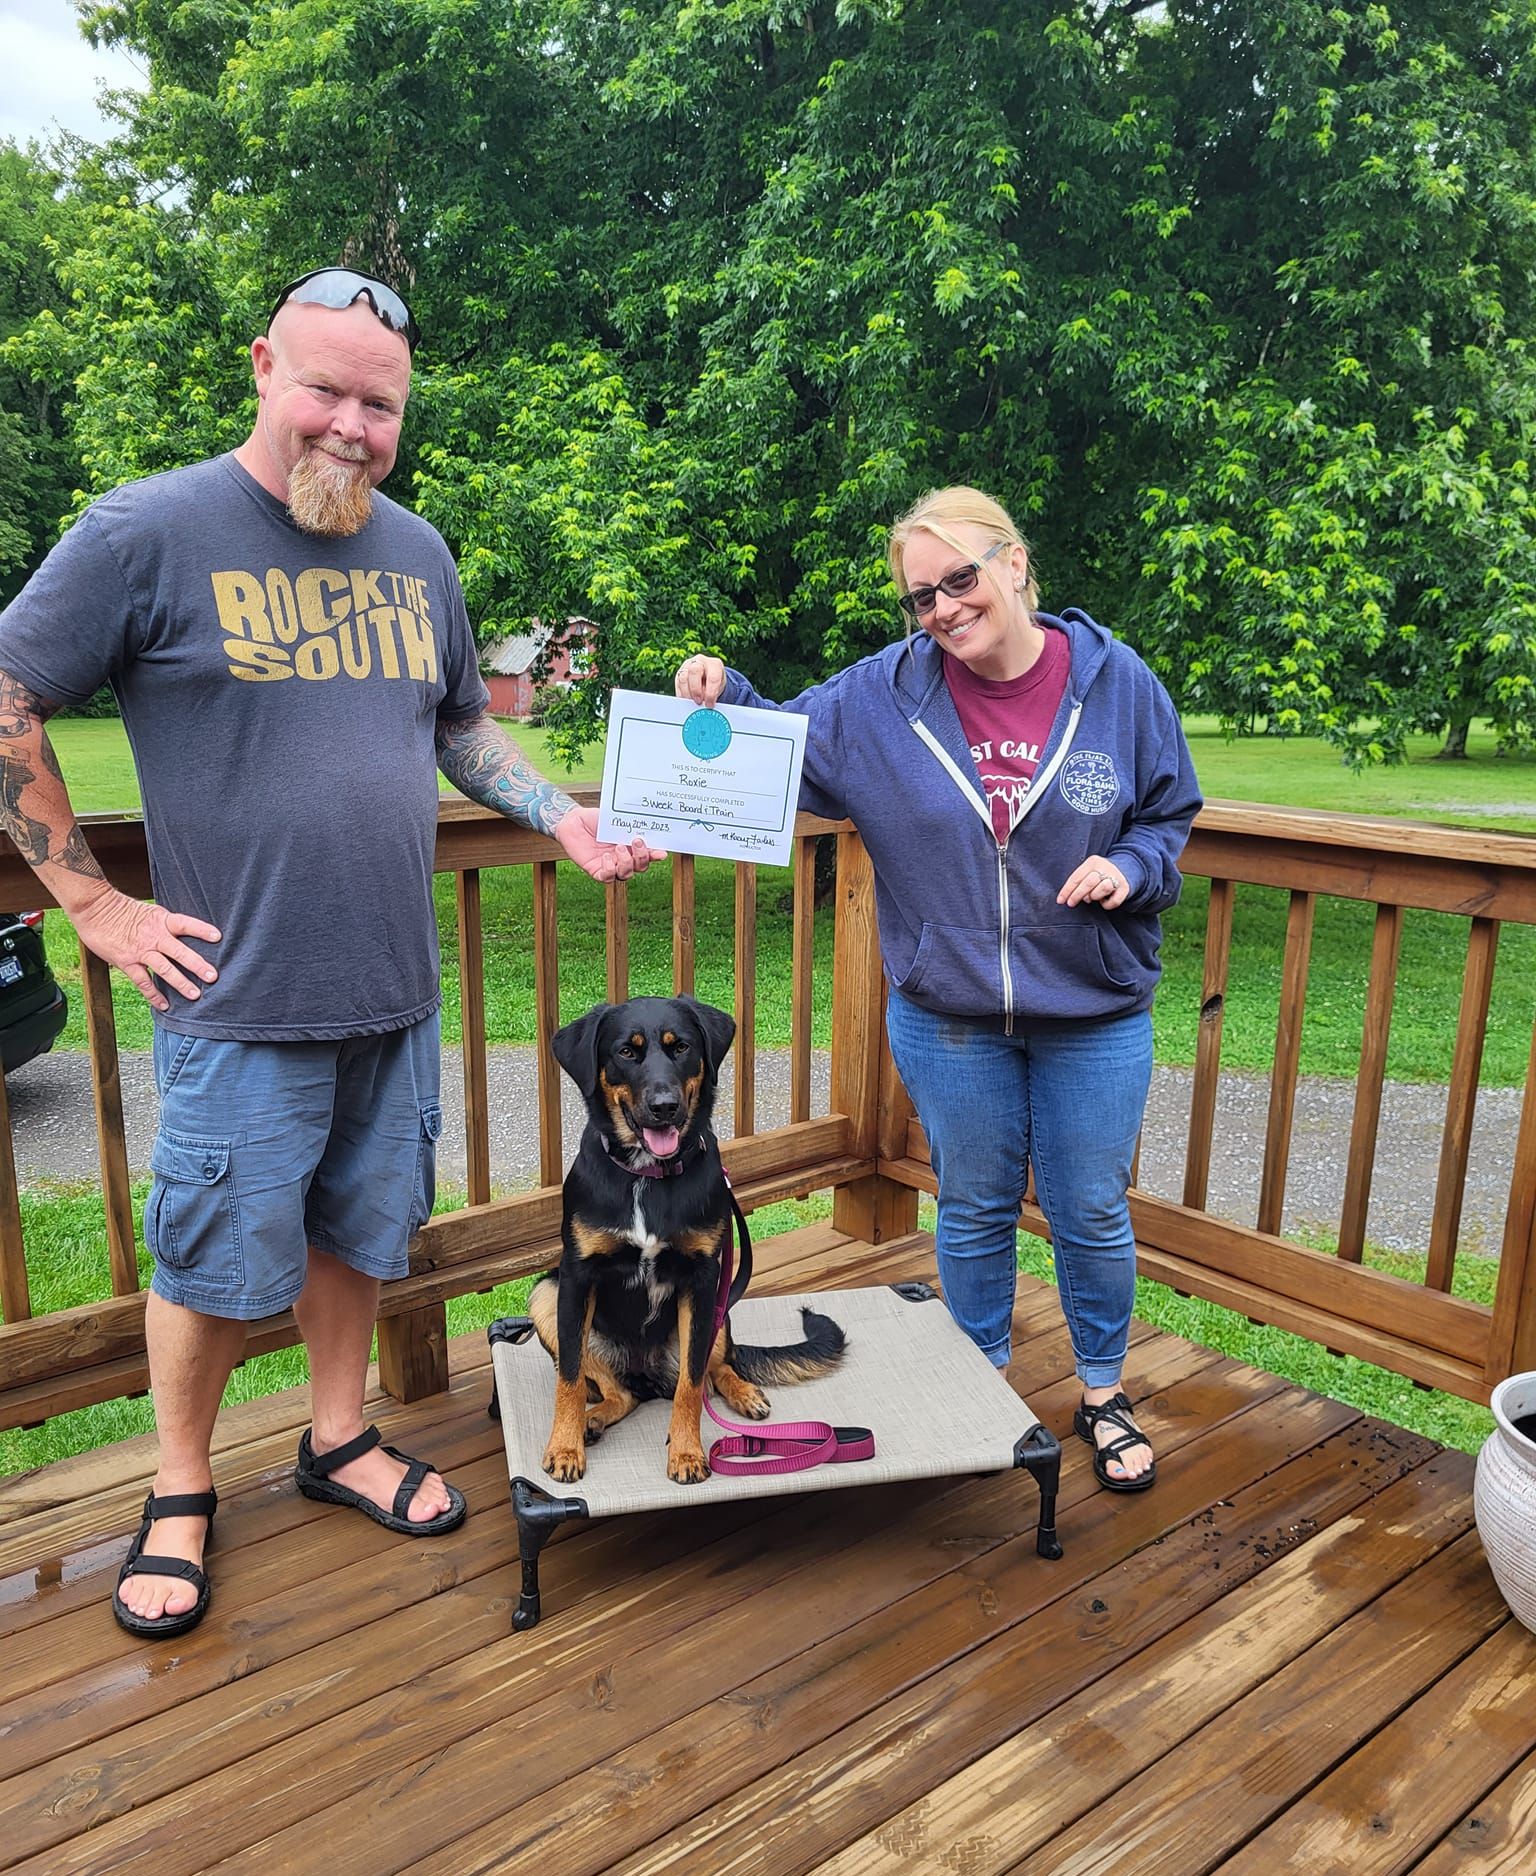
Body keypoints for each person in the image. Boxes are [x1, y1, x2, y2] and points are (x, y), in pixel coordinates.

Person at [0, 266, 653, 1637]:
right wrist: (94, 906)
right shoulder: (147, 531)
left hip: (392, 991)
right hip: (235, 997)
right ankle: (181, 1485)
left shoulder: (418, 554)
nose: (352, 427)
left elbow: (460, 722)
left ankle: (338, 1435)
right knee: (206, 1260)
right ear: (261, 368)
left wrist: (557, 813)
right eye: (326, 391)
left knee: (360, 1233)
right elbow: (7, 691)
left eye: (381, 406)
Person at [676, 485, 1199, 1492]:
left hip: (1092, 1008)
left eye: (960, 579)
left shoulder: (1117, 681)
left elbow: (1168, 810)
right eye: (923, 597)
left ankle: (1102, 1390)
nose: (945, 609)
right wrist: (722, 689)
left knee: (1091, 1208)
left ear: (1015, 563)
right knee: (971, 1204)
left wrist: (1133, 866)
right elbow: (780, 742)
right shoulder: (882, 694)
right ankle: (981, 1379)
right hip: (949, 1014)